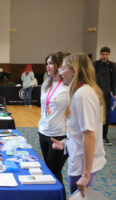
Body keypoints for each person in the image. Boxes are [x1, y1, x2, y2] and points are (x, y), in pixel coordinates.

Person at [52, 53, 106, 197]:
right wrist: (65, 142)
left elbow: (89, 135)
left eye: (63, 69)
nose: (60, 72)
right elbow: (79, 128)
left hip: (83, 164)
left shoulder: (83, 94)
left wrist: (86, 174)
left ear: (74, 71)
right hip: (79, 158)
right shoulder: (81, 91)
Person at [38, 52, 69, 187]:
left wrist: (69, 137)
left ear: (60, 65)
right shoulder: (45, 84)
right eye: (47, 64)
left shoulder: (68, 86)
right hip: (44, 132)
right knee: (50, 171)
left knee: (53, 172)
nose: (47, 66)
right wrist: (41, 129)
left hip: (59, 135)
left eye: (51, 63)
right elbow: (44, 109)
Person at [93, 46, 116, 146]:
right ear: (100, 54)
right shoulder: (95, 64)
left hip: (107, 93)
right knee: (94, 114)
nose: (104, 56)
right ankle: (94, 135)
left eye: (106, 54)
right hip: (95, 93)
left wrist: (114, 93)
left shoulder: (112, 65)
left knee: (105, 116)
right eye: (103, 54)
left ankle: (104, 137)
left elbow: (114, 80)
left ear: (109, 54)